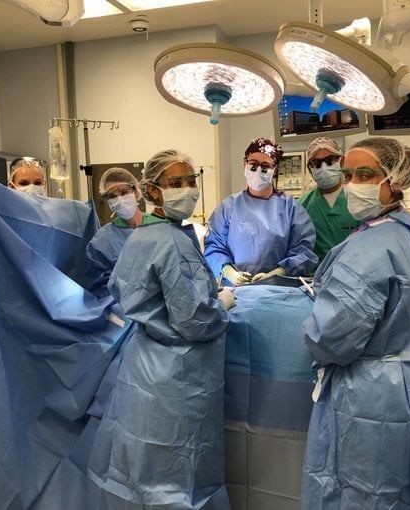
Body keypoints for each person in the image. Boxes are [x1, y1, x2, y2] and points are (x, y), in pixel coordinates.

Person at [301, 137, 410, 510]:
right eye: (348, 174)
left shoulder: (370, 247)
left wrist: (315, 322)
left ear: (394, 181)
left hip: (373, 398)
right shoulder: (409, 228)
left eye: (365, 174)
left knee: (364, 494)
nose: (352, 183)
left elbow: (333, 337)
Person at [103, 149, 234, 508]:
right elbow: (194, 320)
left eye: (191, 181)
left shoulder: (142, 236)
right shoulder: (173, 242)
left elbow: (121, 289)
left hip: (143, 367)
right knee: (178, 478)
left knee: (142, 473)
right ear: (153, 190)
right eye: (175, 183)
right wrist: (221, 304)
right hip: (176, 375)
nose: (187, 189)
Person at [204, 137, 317, 286]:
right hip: (236, 291)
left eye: (265, 167)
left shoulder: (291, 208)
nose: (258, 171)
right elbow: (213, 246)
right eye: (253, 165)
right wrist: (228, 271)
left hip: (278, 288)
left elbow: (304, 251)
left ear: (274, 170)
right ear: (245, 165)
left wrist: (279, 272)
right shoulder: (229, 207)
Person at [84, 167, 162, 297]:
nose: (119, 199)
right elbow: (100, 287)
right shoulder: (103, 240)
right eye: (112, 196)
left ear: (136, 192)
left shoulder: (161, 226)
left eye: (124, 192)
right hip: (126, 311)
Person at [299, 137, 360, 261]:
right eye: (316, 163)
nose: (324, 167)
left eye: (330, 160)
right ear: (310, 169)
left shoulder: (359, 199)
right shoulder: (302, 206)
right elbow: (299, 248)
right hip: (316, 276)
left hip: (355, 273)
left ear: (341, 162)